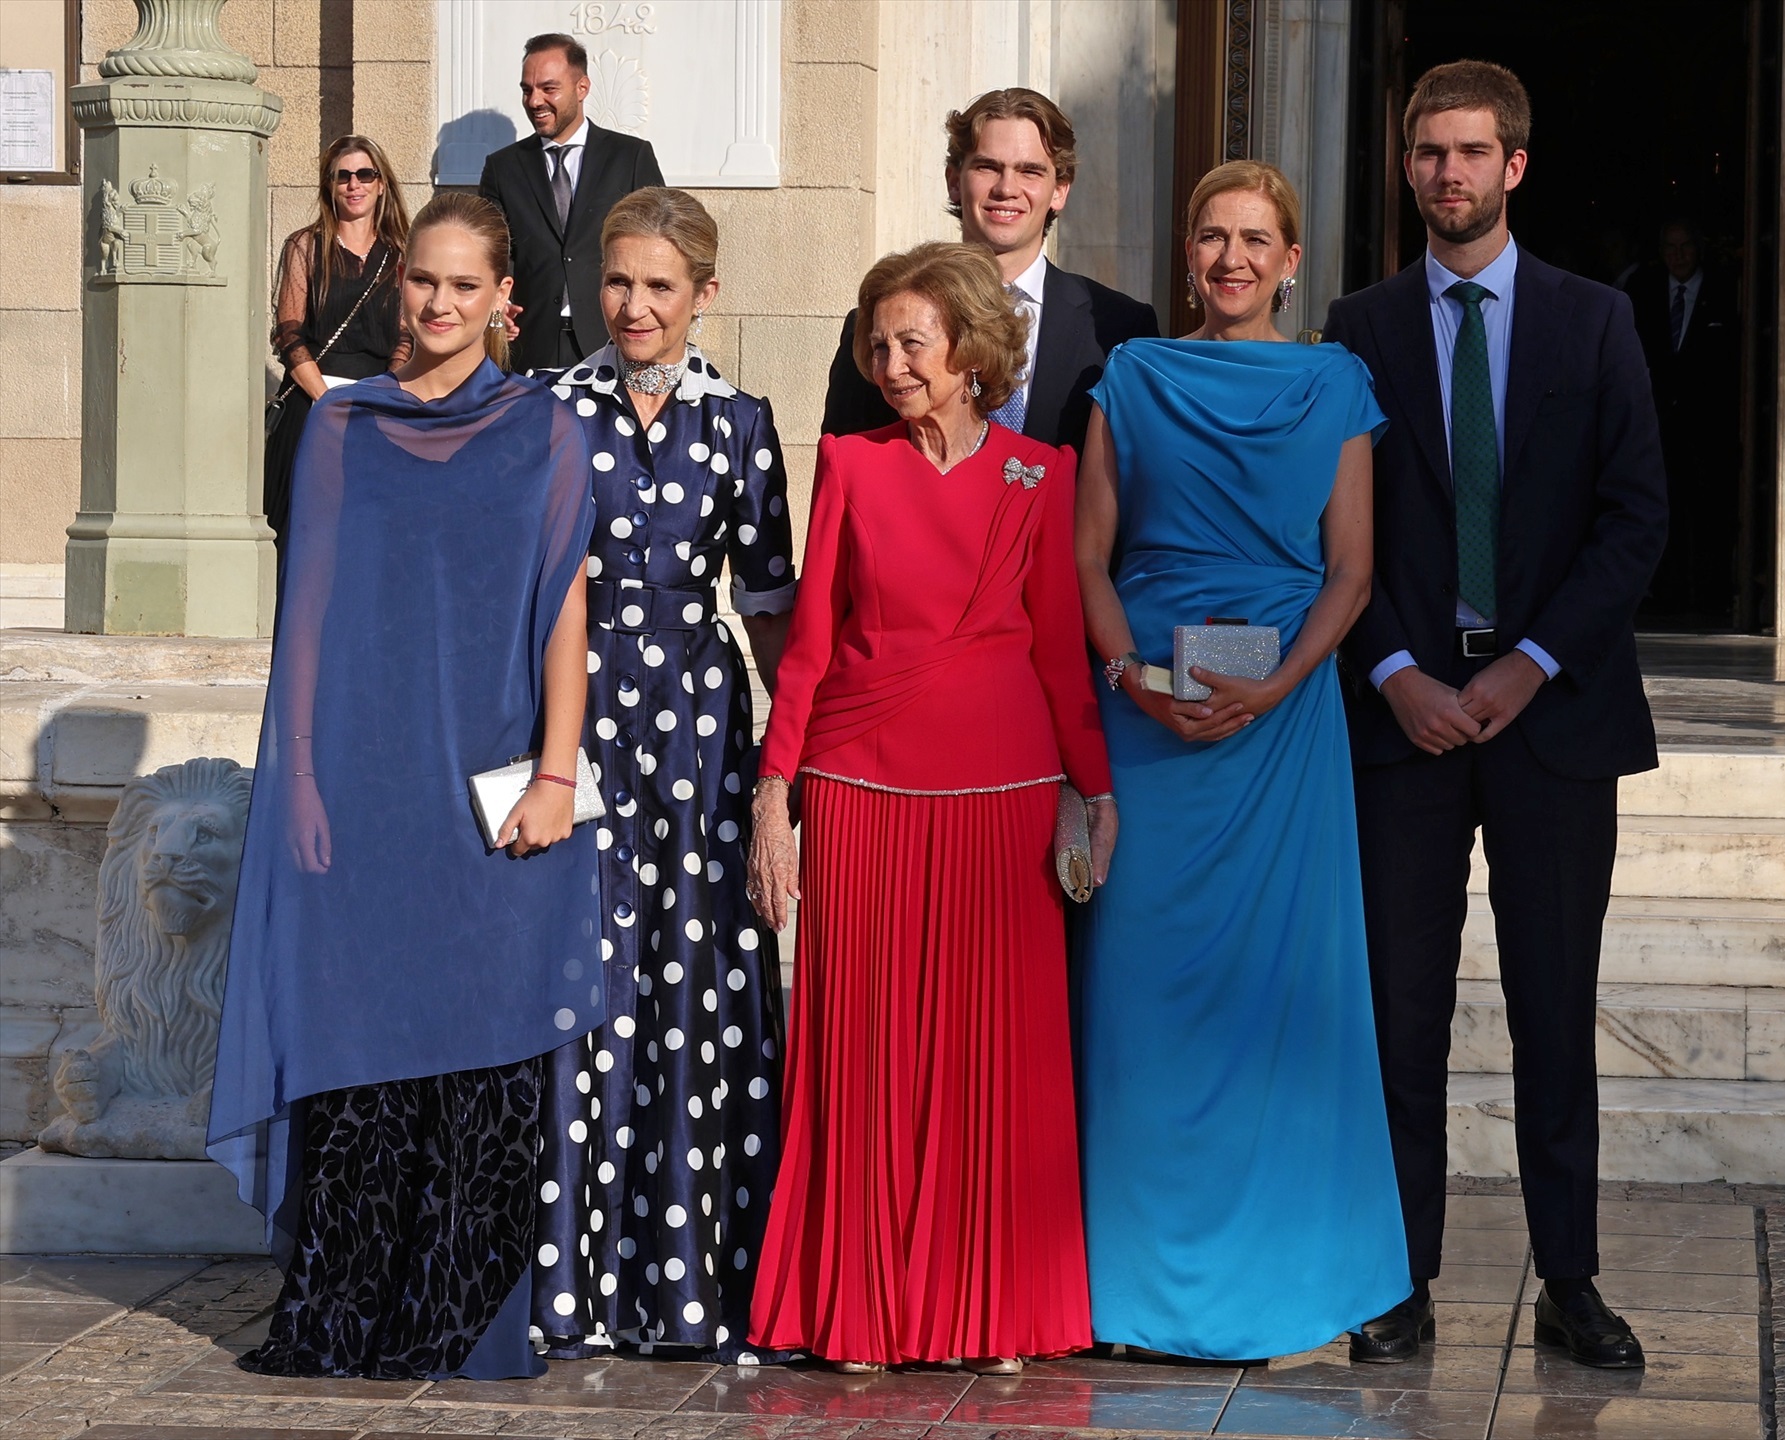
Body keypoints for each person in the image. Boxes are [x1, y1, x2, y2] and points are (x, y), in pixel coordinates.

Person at [208, 192, 602, 1381]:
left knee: (484, 1044)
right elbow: (310, 612)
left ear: (504, 304)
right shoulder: (343, 426)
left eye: (462, 287)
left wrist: (555, 771)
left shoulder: (547, 430)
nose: (436, 303)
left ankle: (460, 1318)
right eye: (422, 282)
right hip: (367, 781)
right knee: (362, 1039)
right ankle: (342, 1314)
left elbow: (560, 611)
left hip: (493, 786)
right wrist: (308, 780)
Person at [1322, 61, 1666, 1370]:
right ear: (1408, 165)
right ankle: (1399, 1277)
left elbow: (1637, 518)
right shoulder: (1359, 328)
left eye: (1471, 152)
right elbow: (1334, 524)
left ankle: (1569, 1281)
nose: (1446, 173)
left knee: (1550, 1008)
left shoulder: (1594, 324)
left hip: (1554, 719)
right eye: (1427, 152)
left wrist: (1527, 662)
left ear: (1515, 165)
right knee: (1399, 1010)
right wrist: (1397, 668)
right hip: (1401, 720)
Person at [746, 241, 1114, 1374]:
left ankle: (994, 1310)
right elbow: (808, 645)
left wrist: (1089, 792)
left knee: (988, 1066)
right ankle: (855, 1309)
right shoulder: (850, 463)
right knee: (860, 1062)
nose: (892, 361)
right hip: (860, 791)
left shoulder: (1041, 474)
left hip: (1004, 798)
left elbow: (1061, 653)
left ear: (970, 354)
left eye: (914, 341)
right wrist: (776, 791)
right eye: (879, 342)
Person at [1073, 160, 1409, 1362]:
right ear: (1188, 254)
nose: (1230, 259)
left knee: (1282, 1007)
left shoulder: (1338, 383)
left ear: (1292, 258)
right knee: (1141, 1004)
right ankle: (1129, 1288)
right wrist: (1128, 681)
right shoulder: (1135, 374)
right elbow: (1090, 559)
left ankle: (1285, 1281)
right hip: (1148, 728)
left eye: (1254, 238)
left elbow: (1353, 572)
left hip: (1285, 729)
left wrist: (1278, 683)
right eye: (1211, 237)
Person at [527, 188, 796, 1362]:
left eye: (659, 286)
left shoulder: (742, 420)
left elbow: (778, 608)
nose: (633, 306)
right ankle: (570, 1285)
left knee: (696, 980)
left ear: (703, 296)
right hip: (577, 723)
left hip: (704, 732)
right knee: (581, 979)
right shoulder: (546, 411)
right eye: (619, 282)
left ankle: (703, 1288)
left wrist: (791, 769)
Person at [819, 87, 1157, 452]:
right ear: (954, 180)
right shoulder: (878, 326)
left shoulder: (1121, 329)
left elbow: (1136, 474)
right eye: (987, 167)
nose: (1007, 188)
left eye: (1029, 171)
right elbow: (846, 467)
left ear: (1059, 190)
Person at [478, 32, 666, 372]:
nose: (534, 101)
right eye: (526, 89)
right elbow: (490, 252)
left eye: (548, 89)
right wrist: (494, 304)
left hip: (613, 339)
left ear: (582, 88)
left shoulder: (631, 157)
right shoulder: (502, 167)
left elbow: (660, 246)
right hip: (528, 344)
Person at [265, 134, 410, 562]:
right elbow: (289, 334)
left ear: (381, 183)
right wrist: (326, 399)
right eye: (342, 176)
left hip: (378, 404)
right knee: (305, 532)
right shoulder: (305, 246)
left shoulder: (401, 252)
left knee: (371, 529)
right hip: (314, 404)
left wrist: (385, 392)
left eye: (365, 174)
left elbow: (406, 335)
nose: (354, 184)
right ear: (329, 185)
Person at [1626, 218, 1740, 622]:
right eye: (1670, 247)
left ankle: (1712, 600)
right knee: (1661, 513)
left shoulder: (1729, 292)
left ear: (1698, 248)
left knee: (1710, 518)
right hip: (1656, 429)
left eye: (1685, 246)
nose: (1678, 255)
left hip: (1710, 432)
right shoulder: (1641, 292)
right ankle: (1666, 598)